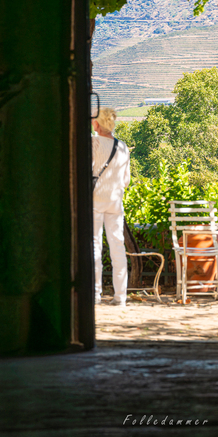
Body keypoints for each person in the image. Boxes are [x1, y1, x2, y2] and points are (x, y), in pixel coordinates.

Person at [92, 106, 130, 306]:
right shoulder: (122, 146)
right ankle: (120, 296)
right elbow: (126, 181)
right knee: (118, 247)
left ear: (97, 124)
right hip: (116, 201)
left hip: (95, 201)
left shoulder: (93, 143)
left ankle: (95, 295)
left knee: (95, 246)